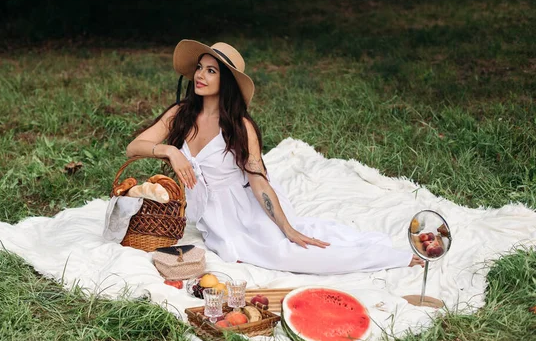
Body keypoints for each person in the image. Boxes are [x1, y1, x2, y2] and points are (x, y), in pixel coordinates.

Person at [126, 39, 423, 274]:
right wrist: (168, 150)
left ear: (226, 81)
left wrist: (287, 228)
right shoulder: (181, 114)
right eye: (200, 68)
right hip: (212, 217)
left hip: (246, 209)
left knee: (289, 252)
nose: (200, 75)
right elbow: (134, 147)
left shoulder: (240, 127)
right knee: (257, 253)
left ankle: (390, 257)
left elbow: (259, 183)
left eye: (211, 71)